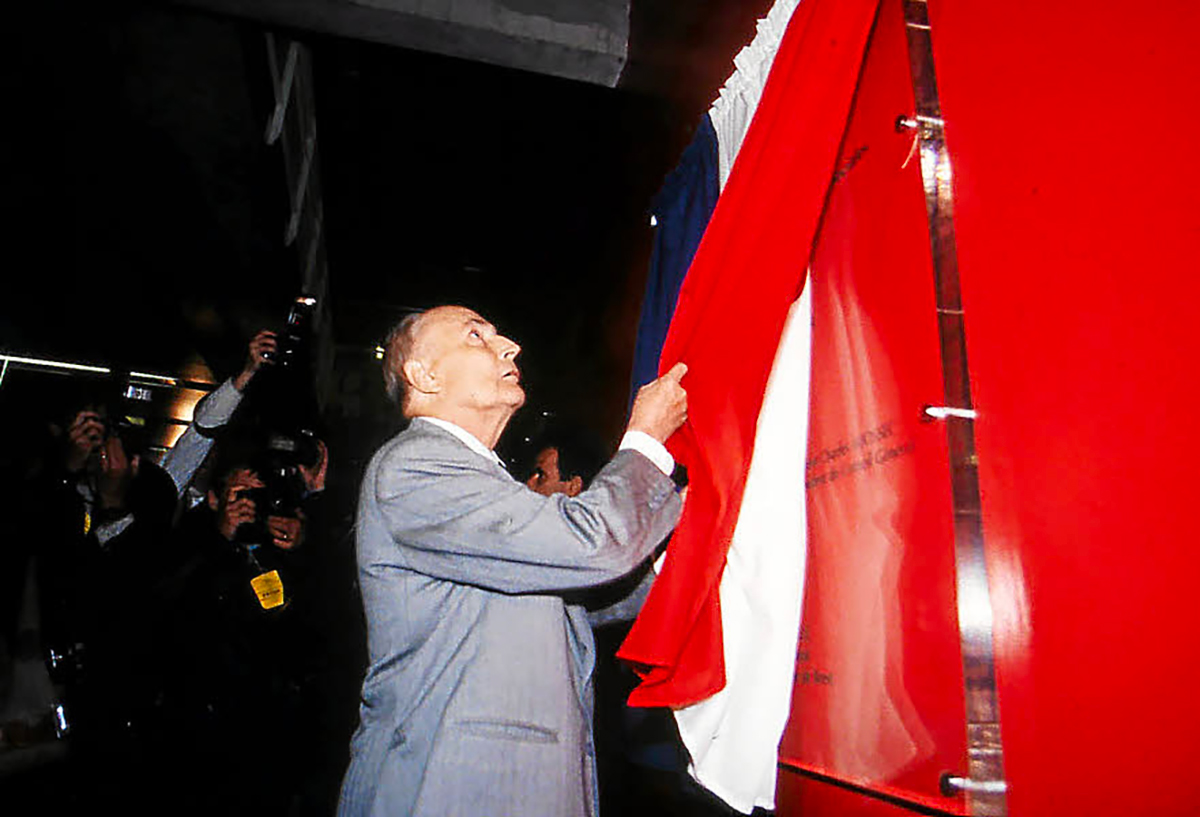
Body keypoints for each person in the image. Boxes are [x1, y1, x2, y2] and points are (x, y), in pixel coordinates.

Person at [338, 305, 688, 817]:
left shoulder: (481, 481)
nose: (509, 346)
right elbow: (588, 546)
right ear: (425, 375)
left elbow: (566, 601)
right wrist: (645, 442)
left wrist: (684, 551)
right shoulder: (415, 465)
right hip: (450, 790)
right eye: (476, 336)